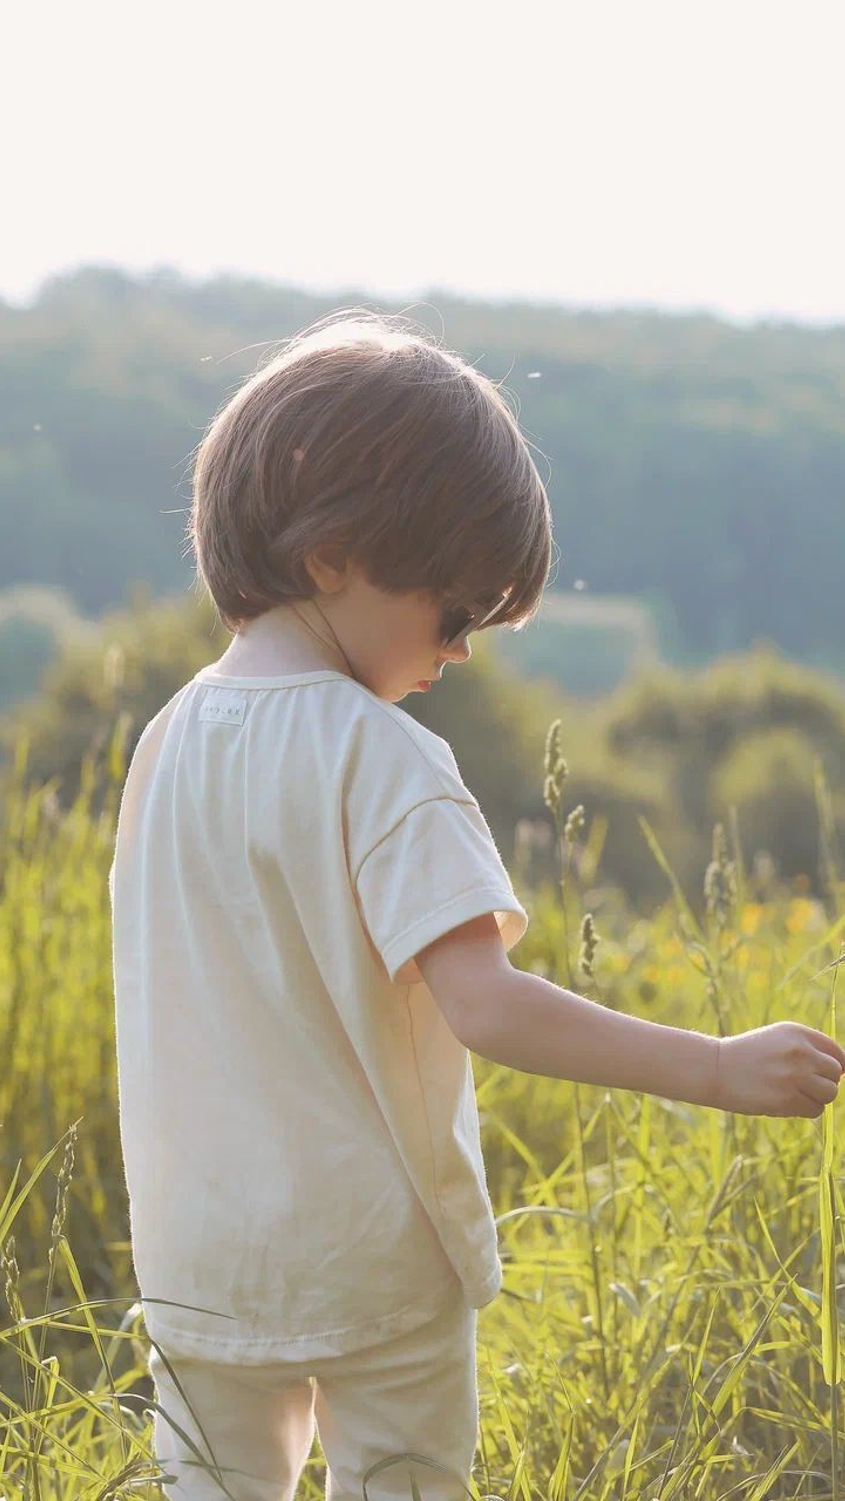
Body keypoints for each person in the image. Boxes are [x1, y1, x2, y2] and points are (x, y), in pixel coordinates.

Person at [108, 310, 845, 1500]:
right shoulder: (383, 756)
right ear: (334, 556)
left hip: (198, 1262)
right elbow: (484, 1006)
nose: (460, 651)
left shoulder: (166, 743)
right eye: (456, 612)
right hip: (371, 1262)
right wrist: (712, 1064)